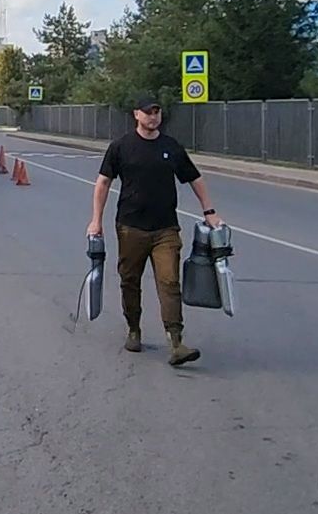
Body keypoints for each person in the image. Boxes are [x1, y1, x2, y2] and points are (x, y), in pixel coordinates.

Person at [85, 95, 224, 366]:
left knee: (170, 282)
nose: (153, 116)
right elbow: (103, 183)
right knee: (130, 281)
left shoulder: (170, 147)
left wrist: (209, 211)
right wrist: (95, 220)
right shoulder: (121, 147)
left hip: (165, 228)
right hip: (130, 227)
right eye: (148, 112)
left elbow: (194, 178)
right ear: (136, 114)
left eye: (157, 112)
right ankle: (134, 329)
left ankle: (176, 342)